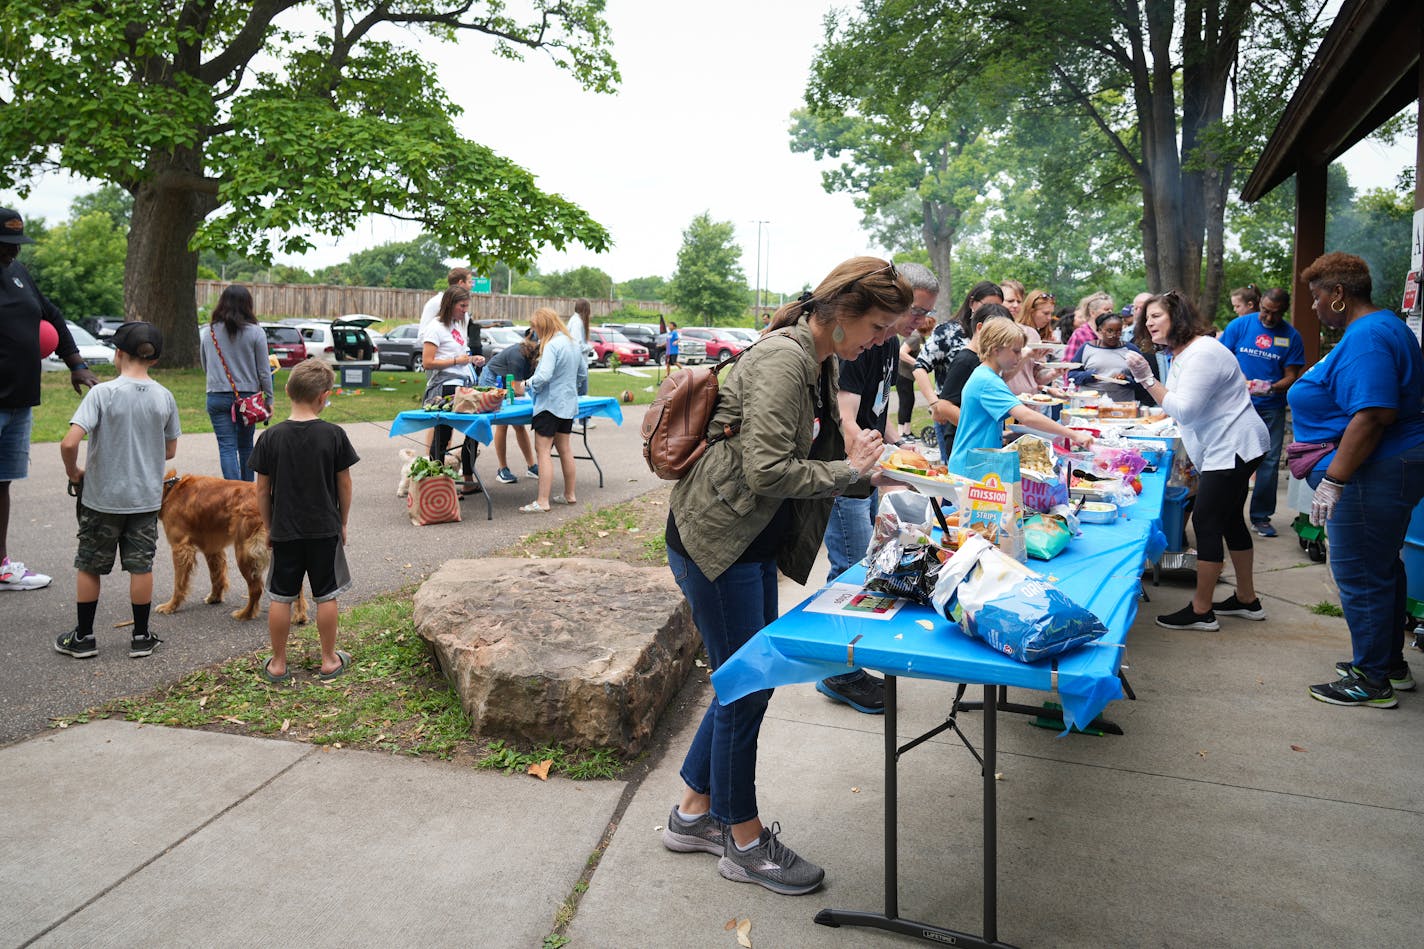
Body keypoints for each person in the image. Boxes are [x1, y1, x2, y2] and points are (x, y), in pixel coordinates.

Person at [660, 257, 910, 897]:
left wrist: (867, 462)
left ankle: (692, 814)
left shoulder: (819, 357)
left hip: (746, 539)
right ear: (843, 313)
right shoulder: (786, 360)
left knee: (741, 677)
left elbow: (817, 454)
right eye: (879, 325)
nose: (884, 338)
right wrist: (855, 475)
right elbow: (768, 471)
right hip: (718, 541)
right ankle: (740, 840)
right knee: (748, 686)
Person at [1288, 253, 1424, 708]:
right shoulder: (1381, 327)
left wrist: (1335, 481)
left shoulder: (1367, 336)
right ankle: (1388, 664)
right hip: (1390, 465)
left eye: (1317, 296)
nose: (1314, 306)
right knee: (1383, 566)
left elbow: (1373, 414)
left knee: (1361, 572)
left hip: (1376, 468)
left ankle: (1371, 681)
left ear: (1339, 294)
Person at [816, 259, 929, 715]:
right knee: (851, 569)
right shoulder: (859, 341)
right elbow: (846, 415)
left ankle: (849, 662)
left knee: (869, 565)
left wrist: (899, 450)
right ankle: (838, 672)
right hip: (847, 473)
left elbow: (876, 412)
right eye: (916, 311)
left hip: (867, 471)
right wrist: (862, 461)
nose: (919, 321)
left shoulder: (888, 341)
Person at [1125, 291, 1269, 631]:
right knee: (1231, 519)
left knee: (1206, 521)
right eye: (1146, 318)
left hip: (1233, 445)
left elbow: (1184, 409)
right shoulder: (1184, 353)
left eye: (1156, 316)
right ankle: (1247, 599)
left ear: (1179, 317)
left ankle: (1202, 609)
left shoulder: (1202, 352)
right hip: (1229, 445)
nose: (1149, 323)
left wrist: (1147, 379)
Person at [55, 322, 180, 660]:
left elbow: (69, 443)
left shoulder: (102, 393)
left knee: (90, 565)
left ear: (119, 353)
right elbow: (169, 451)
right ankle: (141, 636)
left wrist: (74, 471)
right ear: (153, 360)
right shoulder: (164, 396)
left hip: (102, 499)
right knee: (141, 566)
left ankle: (83, 637)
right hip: (144, 500)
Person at [0, 207, 99, 591]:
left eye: (17, 245)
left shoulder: (18, 274)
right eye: (6, 245)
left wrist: (76, 362)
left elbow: (54, 317)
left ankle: (2, 566)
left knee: (3, 483)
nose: (13, 253)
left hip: (20, 402)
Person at [250, 359, 359, 683]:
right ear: (324, 396)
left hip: (285, 530)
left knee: (282, 596)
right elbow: (345, 484)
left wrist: (269, 527)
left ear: (286, 390)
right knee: (326, 594)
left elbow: (261, 491)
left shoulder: (270, 437)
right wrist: (342, 521)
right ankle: (328, 659)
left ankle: (279, 663)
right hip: (324, 528)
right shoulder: (334, 435)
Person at [946, 317, 1093, 476]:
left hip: (975, 463)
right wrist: (1073, 434)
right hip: (972, 468)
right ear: (996, 350)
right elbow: (1027, 416)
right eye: (1016, 351)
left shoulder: (986, 375)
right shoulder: (988, 381)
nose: (1019, 356)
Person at [1218, 287, 1305, 537]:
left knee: (1267, 462)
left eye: (1274, 314)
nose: (1268, 318)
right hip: (1235, 406)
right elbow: (1221, 358)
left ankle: (1261, 516)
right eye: (1265, 311)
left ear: (1283, 312)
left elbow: (1291, 376)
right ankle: (1227, 512)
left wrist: (1270, 387)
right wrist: (1237, 379)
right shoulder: (1240, 326)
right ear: (1259, 304)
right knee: (1231, 458)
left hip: (1270, 408)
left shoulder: (1291, 337)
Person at [914, 280, 1003, 457]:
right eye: (988, 306)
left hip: (980, 416)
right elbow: (919, 367)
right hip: (951, 415)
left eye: (998, 307)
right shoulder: (948, 331)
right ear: (972, 303)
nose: (994, 313)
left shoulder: (996, 336)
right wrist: (935, 404)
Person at [199, 285, 272, 482]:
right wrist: (269, 398)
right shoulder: (256, 333)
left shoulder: (209, 332)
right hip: (248, 398)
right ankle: (247, 492)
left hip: (217, 395)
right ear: (248, 305)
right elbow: (264, 371)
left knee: (226, 446)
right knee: (246, 445)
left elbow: (205, 365)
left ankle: (232, 493)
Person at [521, 307, 587, 513]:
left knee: (543, 452)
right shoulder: (573, 343)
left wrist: (526, 384)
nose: (535, 333)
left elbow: (543, 376)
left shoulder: (551, 345)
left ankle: (542, 501)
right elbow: (582, 373)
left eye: (536, 328)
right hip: (567, 405)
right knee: (565, 449)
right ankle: (569, 494)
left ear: (543, 326)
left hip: (549, 405)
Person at [422, 287, 483, 494]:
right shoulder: (435, 328)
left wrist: (472, 359)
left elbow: (459, 354)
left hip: (464, 384)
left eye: (467, 306)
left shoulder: (457, 325)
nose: (466, 310)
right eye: (462, 306)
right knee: (443, 434)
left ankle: (467, 477)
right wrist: (457, 360)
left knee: (473, 430)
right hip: (446, 387)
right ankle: (437, 484)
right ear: (450, 305)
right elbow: (428, 362)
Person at [931, 303, 1015, 454]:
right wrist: (977, 429)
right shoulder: (965, 360)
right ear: (980, 328)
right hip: (964, 444)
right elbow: (943, 405)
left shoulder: (988, 361)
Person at [478, 334, 539, 484]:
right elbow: (517, 390)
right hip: (493, 378)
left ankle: (532, 466)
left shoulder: (532, 360)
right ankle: (502, 469)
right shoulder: (517, 358)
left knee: (518, 424)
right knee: (503, 422)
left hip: (509, 380)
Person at [1068, 309, 1157, 403]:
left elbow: (1144, 379)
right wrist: (1089, 376)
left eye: (1118, 331)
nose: (1114, 335)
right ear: (1099, 330)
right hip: (1089, 404)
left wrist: (1126, 380)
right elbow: (1072, 375)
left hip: (1122, 405)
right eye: (1109, 331)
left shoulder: (1130, 349)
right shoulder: (1087, 348)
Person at [1005, 289, 1060, 395]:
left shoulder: (1034, 334)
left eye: (1051, 314)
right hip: (1021, 398)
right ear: (1031, 311)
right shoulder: (1029, 332)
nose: (1049, 318)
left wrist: (1055, 373)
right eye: (1045, 313)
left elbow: (1035, 377)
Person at [896, 311, 936, 443]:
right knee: (905, 402)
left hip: (909, 375)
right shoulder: (915, 337)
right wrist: (918, 364)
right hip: (902, 374)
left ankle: (907, 431)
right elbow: (901, 352)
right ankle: (901, 432)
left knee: (910, 401)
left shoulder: (921, 338)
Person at [1064, 292, 1115, 362]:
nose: (1110, 312)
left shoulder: (1113, 334)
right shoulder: (1080, 334)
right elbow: (1069, 364)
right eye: (1106, 309)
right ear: (1092, 312)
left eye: (1111, 310)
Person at [420, 267, 472, 332]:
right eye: (469, 282)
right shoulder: (436, 303)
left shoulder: (464, 310)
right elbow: (422, 335)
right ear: (461, 282)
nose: (471, 285)